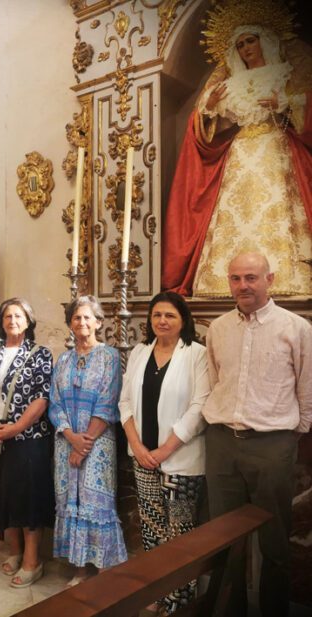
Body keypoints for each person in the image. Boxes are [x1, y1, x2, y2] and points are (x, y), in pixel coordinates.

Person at [162, 9, 312, 297]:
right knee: (235, 208)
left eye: (250, 41)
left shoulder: (284, 73)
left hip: (274, 147)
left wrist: (285, 102)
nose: (245, 49)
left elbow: (303, 107)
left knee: (274, 205)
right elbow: (214, 125)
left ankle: (282, 277)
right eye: (240, 44)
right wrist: (210, 107)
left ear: (265, 41)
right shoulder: (230, 84)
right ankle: (220, 281)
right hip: (241, 150)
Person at [203, 252, 312, 617]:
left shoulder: (296, 329)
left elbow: (307, 387)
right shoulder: (218, 329)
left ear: (270, 279)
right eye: (235, 278)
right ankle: (231, 610)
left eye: (251, 277)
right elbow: (216, 382)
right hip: (222, 444)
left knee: (274, 541)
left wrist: (291, 434)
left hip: (272, 446)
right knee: (225, 539)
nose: (243, 285)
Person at [119, 292, 210, 613]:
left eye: (170, 315)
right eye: (157, 314)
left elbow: (200, 406)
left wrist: (165, 449)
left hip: (180, 459)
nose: (162, 321)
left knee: (180, 534)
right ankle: (158, 592)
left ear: (183, 320)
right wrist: (137, 446)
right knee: (151, 528)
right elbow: (124, 402)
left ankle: (179, 603)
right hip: (143, 458)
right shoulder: (139, 352)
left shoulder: (196, 353)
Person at [0, 297, 54, 589]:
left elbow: (42, 398)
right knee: (4, 496)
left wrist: (16, 428)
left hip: (28, 438)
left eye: (18, 316)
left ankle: (33, 561)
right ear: (1, 322)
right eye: (7, 316)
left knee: (28, 499)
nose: (13, 321)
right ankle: (15, 551)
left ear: (28, 321)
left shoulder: (40, 354)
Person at [49, 296, 126, 587]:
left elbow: (108, 401)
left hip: (98, 444)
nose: (82, 322)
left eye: (87, 317)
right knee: (70, 501)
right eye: (76, 318)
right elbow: (54, 402)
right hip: (65, 442)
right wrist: (71, 437)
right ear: (70, 323)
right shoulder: (63, 359)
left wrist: (85, 444)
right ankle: (79, 568)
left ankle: (104, 567)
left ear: (98, 322)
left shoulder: (110, 357)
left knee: (97, 502)